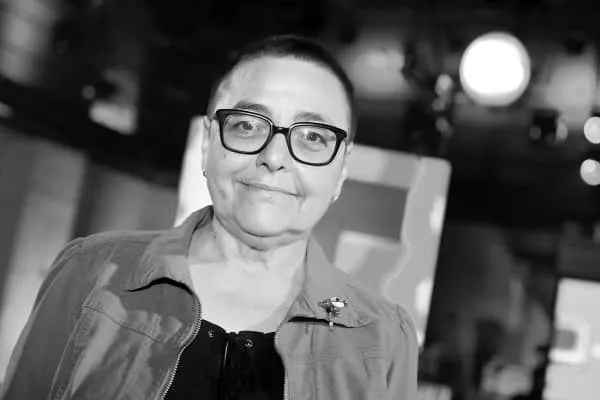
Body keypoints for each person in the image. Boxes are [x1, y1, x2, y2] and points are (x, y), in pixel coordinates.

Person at [0, 35, 418, 400]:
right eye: (247, 126)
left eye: (312, 136)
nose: (274, 157)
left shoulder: (383, 336)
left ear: (341, 169)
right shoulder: (92, 272)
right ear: (207, 143)